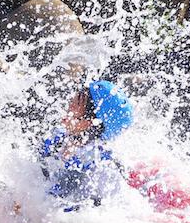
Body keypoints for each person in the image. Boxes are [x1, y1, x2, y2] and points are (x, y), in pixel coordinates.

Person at [39, 80, 135, 208]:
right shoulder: (58, 137)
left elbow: (63, 210)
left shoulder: (97, 164)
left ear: (89, 122)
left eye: (75, 104)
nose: (68, 108)